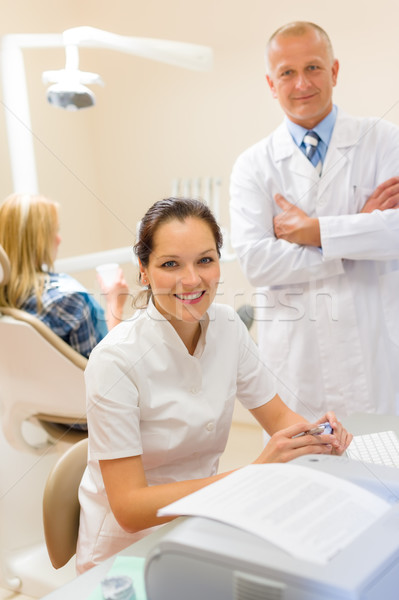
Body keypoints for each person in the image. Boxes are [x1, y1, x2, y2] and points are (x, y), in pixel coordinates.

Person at [76, 197, 352, 572]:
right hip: (127, 551)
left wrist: (315, 435)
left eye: (205, 260)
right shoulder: (114, 361)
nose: (192, 280)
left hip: (203, 523)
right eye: (170, 264)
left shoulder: (226, 326)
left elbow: (279, 417)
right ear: (143, 270)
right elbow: (130, 509)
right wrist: (254, 475)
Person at [229, 21, 399, 422]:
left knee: (389, 470)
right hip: (299, 360)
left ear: (334, 71)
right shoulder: (252, 166)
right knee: (309, 472)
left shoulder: (383, 140)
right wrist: (356, 229)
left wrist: (313, 231)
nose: (301, 82)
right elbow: (256, 261)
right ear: (272, 84)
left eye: (314, 67)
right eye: (287, 72)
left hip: (376, 350)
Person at [0, 193, 129, 358]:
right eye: (54, 231)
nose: (59, 239)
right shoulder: (70, 300)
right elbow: (108, 368)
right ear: (38, 240)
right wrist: (115, 304)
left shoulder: (6, 302)